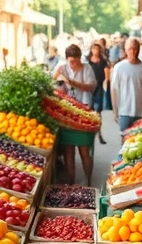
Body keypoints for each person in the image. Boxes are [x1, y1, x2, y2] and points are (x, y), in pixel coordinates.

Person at [53, 44, 97, 185]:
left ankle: (89, 181)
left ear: (80, 59)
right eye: (71, 61)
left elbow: (91, 86)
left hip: (84, 112)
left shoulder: (87, 68)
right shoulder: (62, 68)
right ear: (67, 59)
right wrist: (58, 80)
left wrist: (72, 82)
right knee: (68, 151)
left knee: (84, 150)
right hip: (66, 114)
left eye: (76, 61)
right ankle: (71, 183)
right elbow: (54, 87)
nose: (74, 64)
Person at [110, 38, 142, 131]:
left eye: (135, 49)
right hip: (124, 112)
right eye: (130, 49)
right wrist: (115, 111)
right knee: (124, 142)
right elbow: (114, 90)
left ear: (139, 49)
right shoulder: (119, 67)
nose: (133, 52)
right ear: (125, 50)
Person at [87, 43, 109, 144]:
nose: (95, 50)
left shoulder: (103, 61)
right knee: (88, 109)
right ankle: (89, 132)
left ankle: (99, 133)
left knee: (98, 111)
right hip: (89, 87)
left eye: (97, 48)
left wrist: (106, 85)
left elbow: (106, 75)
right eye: (93, 48)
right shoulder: (87, 61)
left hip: (99, 86)